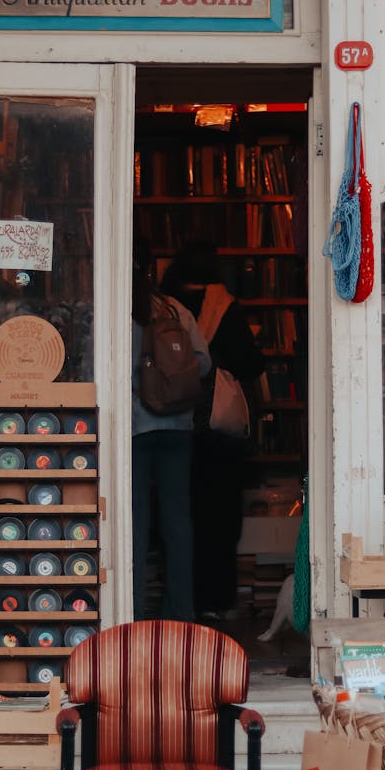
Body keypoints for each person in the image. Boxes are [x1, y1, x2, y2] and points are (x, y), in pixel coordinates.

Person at [160, 240, 265, 621]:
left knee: (177, 513)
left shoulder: (163, 303)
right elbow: (251, 364)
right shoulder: (225, 307)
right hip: (219, 428)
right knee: (221, 518)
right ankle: (216, 600)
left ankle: (177, 602)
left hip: (174, 420)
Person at [131, 236, 211, 622]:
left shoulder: (116, 312)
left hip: (133, 428)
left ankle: (128, 612)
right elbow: (204, 365)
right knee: (178, 522)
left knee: (135, 522)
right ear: (152, 269)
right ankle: (182, 613)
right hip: (177, 427)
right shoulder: (176, 311)